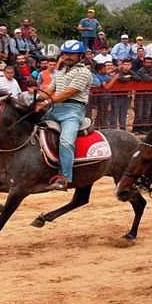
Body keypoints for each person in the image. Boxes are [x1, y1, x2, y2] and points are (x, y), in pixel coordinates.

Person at [35, 40, 94, 191]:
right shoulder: (60, 72)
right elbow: (49, 89)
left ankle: (64, 178)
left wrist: (46, 102)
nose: (67, 57)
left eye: (71, 54)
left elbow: (67, 93)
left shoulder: (84, 73)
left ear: (80, 56)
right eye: (65, 53)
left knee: (66, 141)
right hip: (54, 108)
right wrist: (32, 97)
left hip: (73, 111)